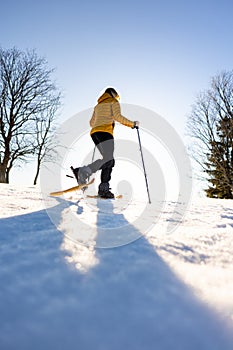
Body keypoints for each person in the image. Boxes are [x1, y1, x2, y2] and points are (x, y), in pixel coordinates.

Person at [72, 87, 139, 198]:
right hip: (106, 133)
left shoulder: (97, 106)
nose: (117, 98)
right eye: (117, 96)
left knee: (108, 160)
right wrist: (132, 124)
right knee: (109, 160)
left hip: (95, 133)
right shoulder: (113, 101)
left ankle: (103, 189)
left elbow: (91, 123)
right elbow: (118, 116)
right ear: (113, 94)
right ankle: (83, 172)